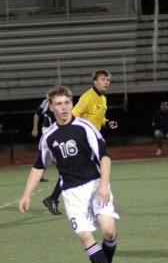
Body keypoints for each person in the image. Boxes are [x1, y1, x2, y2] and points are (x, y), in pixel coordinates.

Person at [19, 84, 120, 263]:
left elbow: (104, 156)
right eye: (58, 104)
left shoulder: (85, 127)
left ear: (71, 104)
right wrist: (26, 194)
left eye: (67, 102)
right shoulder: (48, 136)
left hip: (95, 184)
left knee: (109, 231)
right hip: (72, 193)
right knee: (85, 236)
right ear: (51, 108)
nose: (64, 107)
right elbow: (39, 166)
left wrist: (103, 184)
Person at [43, 69, 118, 215]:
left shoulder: (103, 98)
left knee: (86, 171)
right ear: (95, 82)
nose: (106, 82)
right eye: (103, 79)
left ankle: (54, 198)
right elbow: (74, 114)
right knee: (89, 170)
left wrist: (107, 123)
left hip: (93, 141)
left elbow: (99, 117)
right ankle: (90, 202)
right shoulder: (88, 97)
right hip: (82, 141)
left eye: (108, 80)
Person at [31, 97, 56, 185]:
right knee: (47, 153)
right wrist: (35, 129)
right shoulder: (46, 102)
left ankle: (38, 174)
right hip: (47, 131)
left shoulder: (61, 102)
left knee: (50, 154)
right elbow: (37, 114)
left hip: (57, 130)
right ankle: (36, 174)